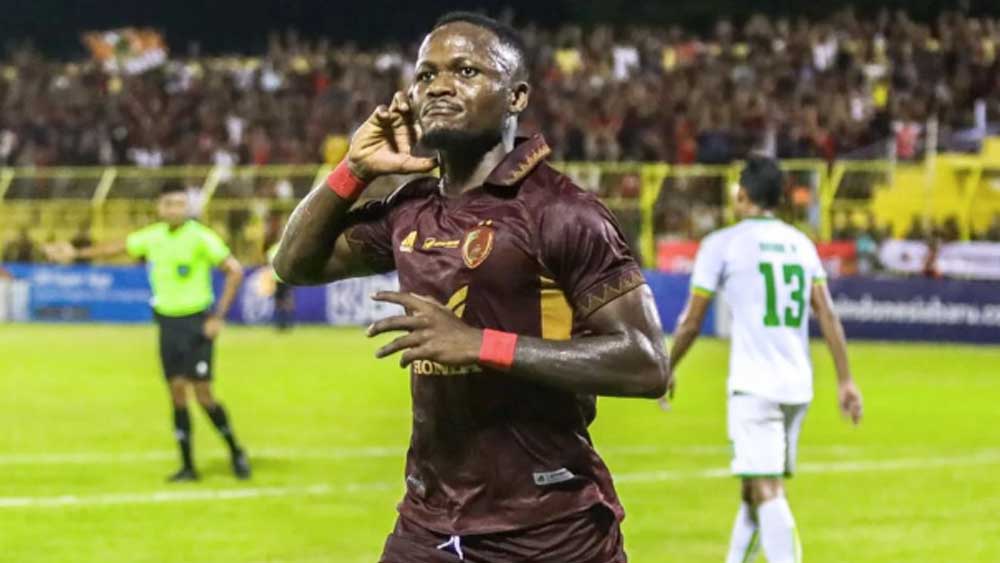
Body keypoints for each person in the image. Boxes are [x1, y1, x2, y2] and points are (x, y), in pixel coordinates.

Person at [273, 12, 670, 562]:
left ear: (516, 97)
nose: (438, 85)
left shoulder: (562, 212)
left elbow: (647, 363)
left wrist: (480, 343)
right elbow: (293, 264)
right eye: (425, 74)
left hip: (548, 528)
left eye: (465, 71)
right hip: (428, 523)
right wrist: (354, 169)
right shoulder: (411, 208)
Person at [661, 156, 863, 563]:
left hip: (755, 388)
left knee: (767, 488)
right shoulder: (800, 243)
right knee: (753, 488)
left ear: (742, 193)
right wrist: (845, 379)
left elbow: (692, 321)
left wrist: (665, 368)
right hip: (797, 387)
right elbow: (826, 313)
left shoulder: (723, 244)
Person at [44, 183, 251, 482]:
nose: (175, 209)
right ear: (159, 207)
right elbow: (116, 248)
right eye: (169, 204)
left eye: (180, 204)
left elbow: (234, 271)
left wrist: (218, 317)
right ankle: (188, 466)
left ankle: (235, 451)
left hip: (197, 324)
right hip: (168, 324)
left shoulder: (201, 236)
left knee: (203, 395)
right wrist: (76, 253)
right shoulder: (153, 236)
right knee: (177, 394)